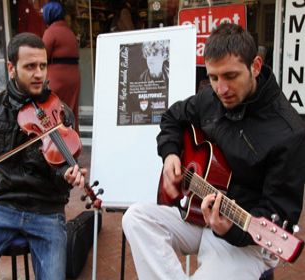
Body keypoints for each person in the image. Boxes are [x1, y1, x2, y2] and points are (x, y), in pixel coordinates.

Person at [122, 23, 305, 280]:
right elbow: (172, 118)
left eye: (230, 76)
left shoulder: (289, 133)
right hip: (199, 215)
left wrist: (229, 228)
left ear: (255, 66)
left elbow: (278, 214)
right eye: (213, 77)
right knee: (136, 219)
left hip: (245, 239)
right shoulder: (212, 99)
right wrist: (171, 155)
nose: (221, 89)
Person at [0, 32, 87, 279]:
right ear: (11, 68)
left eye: (43, 65)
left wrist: (68, 174)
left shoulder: (60, 112)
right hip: (4, 209)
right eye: (30, 66)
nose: (39, 74)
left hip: (47, 211)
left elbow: (61, 166)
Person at [42, 1, 81, 135]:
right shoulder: (69, 32)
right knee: (72, 110)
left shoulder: (51, 32)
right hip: (74, 76)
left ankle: (59, 143)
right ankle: (73, 139)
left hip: (57, 77)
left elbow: (42, 56)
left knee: (55, 112)